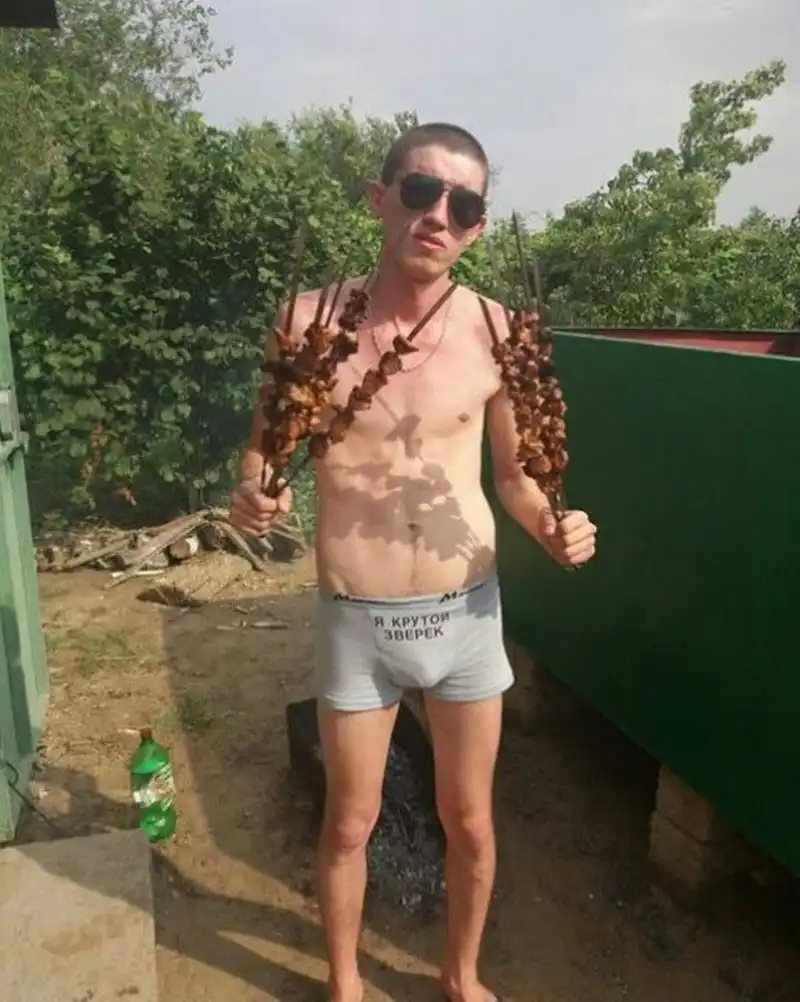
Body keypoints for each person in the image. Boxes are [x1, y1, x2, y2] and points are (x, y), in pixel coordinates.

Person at [229, 122, 598, 1002]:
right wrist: (252, 492)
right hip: (356, 618)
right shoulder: (309, 321)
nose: (439, 215)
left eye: (463, 205)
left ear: (478, 227)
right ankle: (346, 983)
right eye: (422, 191)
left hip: (465, 615)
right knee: (349, 823)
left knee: (469, 821)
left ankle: (461, 977)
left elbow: (515, 478)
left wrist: (553, 525)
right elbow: (265, 450)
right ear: (380, 198)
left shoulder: (500, 331)